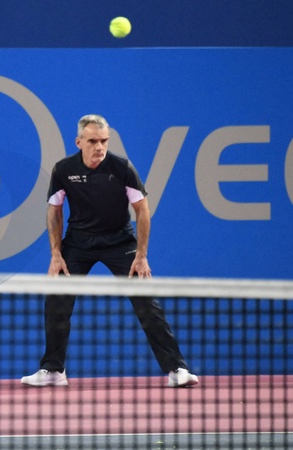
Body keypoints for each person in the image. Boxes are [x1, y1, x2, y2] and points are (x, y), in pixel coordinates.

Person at [21, 114, 198, 389]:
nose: (99, 147)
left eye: (104, 141)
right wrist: (56, 254)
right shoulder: (63, 170)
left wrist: (141, 256)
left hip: (120, 242)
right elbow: (54, 211)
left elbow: (142, 211)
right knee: (56, 299)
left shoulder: (122, 168)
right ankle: (53, 369)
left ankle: (177, 368)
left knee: (146, 302)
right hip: (79, 242)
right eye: (93, 141)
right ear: (79, 142)